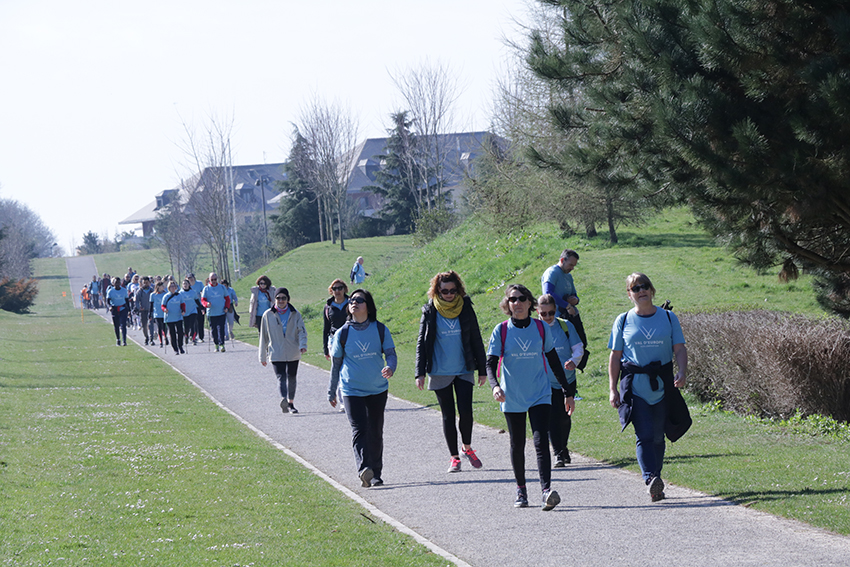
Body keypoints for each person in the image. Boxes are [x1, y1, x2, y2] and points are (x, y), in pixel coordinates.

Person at [486, 284, 574, 510]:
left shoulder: (540, 328)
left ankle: (546, 491)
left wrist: (567, 391)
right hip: (512, 395)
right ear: (508, 304)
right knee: (517, 443)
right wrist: (495, 386)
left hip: (539, 393)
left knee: (540, 440)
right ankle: (521, 490)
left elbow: (553, 359)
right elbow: (491, 362)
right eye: (513, 299)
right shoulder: (502, 330)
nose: (517, 303)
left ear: (529, 303)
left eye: (522, 298)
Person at [608, 272, 688, 502]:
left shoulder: (668, 318)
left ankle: (657, 483)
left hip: (663, 382)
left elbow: (680, 348)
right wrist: (613, 388)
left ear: (652, 290)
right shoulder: (622, 320)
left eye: (644, 286)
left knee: (658, 437)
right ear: (629, 294)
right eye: (635, 288)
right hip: (635, 385)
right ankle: (650, 478)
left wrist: (681, 371)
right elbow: (615, 356)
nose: (641, 290)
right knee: (643, 434)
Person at [415, 270, 488, 473]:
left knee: (466, 412)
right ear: (437, 290)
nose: (449, 294)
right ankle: (454, 457)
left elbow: (476, 339)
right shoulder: (430, 310)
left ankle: (467, 447)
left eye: (453, 291)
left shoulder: (465, 308)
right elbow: (422, 342)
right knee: (448, 415)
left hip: (464, 368)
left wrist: (482, 369)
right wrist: (419, 372)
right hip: (440, 371)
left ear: (459, 290)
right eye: (445, 291)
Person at [328, 289, 397, 488]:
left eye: (359, 300)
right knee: (359, 429)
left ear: (368, 305)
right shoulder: (343, 333)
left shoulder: (380, 329)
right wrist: (332, 391)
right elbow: (336, 366)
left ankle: (376, 474)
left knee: (375, 431)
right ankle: (364, 469)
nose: (354, 302)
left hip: (377, 388)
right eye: (352, 300)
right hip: (351, 390)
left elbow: (391, 354)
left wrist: (390, 367)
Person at [538, 294, 583, 467]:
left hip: (567, 379)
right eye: (544, 314)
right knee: (551, 417)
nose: (548, 317)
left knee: (564, 417)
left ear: (556, 310)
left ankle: (563, 448)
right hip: (545, 381)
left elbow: (578, 347)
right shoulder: (536, 329)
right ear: (537, 312)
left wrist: (574, 360)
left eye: (551, 312)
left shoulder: (565, 326)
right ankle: (558, 453)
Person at [259, 287, 308, 414]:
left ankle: (291, 403)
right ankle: (284, 399)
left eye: (283, 298)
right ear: (274, 299)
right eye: (278, 298)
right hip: (276, 351)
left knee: (292, 377)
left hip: (293, 351)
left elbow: (302, 331)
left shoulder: (295, 313)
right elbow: (263, 337)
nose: (281, 301)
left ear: (288, 299)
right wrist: (262, 356)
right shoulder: (268, 315)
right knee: (281, 376)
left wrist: (303, 345)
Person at [541, 249, 589, 369]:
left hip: (570, 318)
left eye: (574, 265)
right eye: (571, 265)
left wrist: (575, 300)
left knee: (580, 344)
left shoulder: (568, 277)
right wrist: (567, 305)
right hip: (554, 319)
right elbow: (548, 292)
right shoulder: (552, 272)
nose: (572, 268)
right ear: (562, 260)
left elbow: (575, 295)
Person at [323, 279, 349, 410]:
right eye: (334, 288)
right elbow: (326, 327)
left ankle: (351, 398)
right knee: (337, 370)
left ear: (345, 289)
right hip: (333, 341)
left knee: (348, 369)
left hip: (350, 339)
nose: (337, 291)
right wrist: (325, 349)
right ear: (331, 291)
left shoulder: (352, 304)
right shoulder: (328, 306)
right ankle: (343, 401)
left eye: (340, 288)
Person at [201, 272, 230, 352]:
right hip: (211, 313)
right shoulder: (206, 289)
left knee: (221, 329)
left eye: (215, 279)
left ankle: (222, 345)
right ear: (209, 279)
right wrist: (206, 304)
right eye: (212, 279)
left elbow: (227, 299)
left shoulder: (222, 287)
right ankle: (216, 344)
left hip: (221, 312)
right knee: (214, 330)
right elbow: (203, 300)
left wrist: (226, 307)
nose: (214, 281)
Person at [161, 281, 186, 355]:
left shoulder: (179, 295)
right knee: (172, 334)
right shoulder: (166, 296)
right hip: (170, 318)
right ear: (169, 287)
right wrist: (164, 309)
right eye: (171, 286)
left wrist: (183, 310)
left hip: (178, 316)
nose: (173, 288)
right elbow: (163, 305)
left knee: (180, 333)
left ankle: (180, 346)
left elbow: (182, 304)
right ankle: (175, 349)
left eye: (174, 286)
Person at [106, 276, 129, 346]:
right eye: (116, 283)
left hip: (122, 309)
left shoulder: (124, 291)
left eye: (118, 283)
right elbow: (108, 301)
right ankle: (118, 339)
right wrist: (110, 307)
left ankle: (124, 340)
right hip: (114, 309)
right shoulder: (110, 291)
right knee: (116, 325)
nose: (117, 284)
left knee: (123, 325)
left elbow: (127, 301)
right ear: (113, 283)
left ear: (120, 283)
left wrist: (129, 310)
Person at [134, 276, 154, 346]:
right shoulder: (140, 291)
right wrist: (139, 307)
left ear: (149, 283)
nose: (145, 284)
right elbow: (136, 301)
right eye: (144, 283)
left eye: (147, 282)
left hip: (150, 310)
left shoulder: (152, 291)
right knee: (144, 325)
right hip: (143, 310)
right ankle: (146, 337)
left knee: (151, 324)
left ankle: (152, 338)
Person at [180, 278, 199, 346]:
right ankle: (186, 335)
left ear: (189, 284)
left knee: (193, 324)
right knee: (186, 327)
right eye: (183, 284)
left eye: (186, 284)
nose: (185, 285)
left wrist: (202, 308)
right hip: (185, 312)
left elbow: (197, 301)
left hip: (193, 311)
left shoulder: (193, 292)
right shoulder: (180, 293)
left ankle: (193, 339)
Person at [187, 273, 206, 343]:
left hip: (200, 306)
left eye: (191, 278)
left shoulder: (199, 283)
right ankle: (193, 336)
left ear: (194, 277)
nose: (190, 279)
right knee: (193, 323)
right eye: (189, 278)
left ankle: (201, 337)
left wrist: (201, 293)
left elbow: (204, 291)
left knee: (200, 322)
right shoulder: (187, 286)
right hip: (191, 307)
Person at [151, 281, 168, 348]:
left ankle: (165, 337)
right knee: (159, 327)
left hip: (164, 313)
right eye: (162, 286)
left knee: (164, 327)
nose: (163, 287)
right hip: (157, 314)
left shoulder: (165, 294)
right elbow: (151, 305)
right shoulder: (153, 295)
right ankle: (161, 342)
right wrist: (150, 314)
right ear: (158, 287)